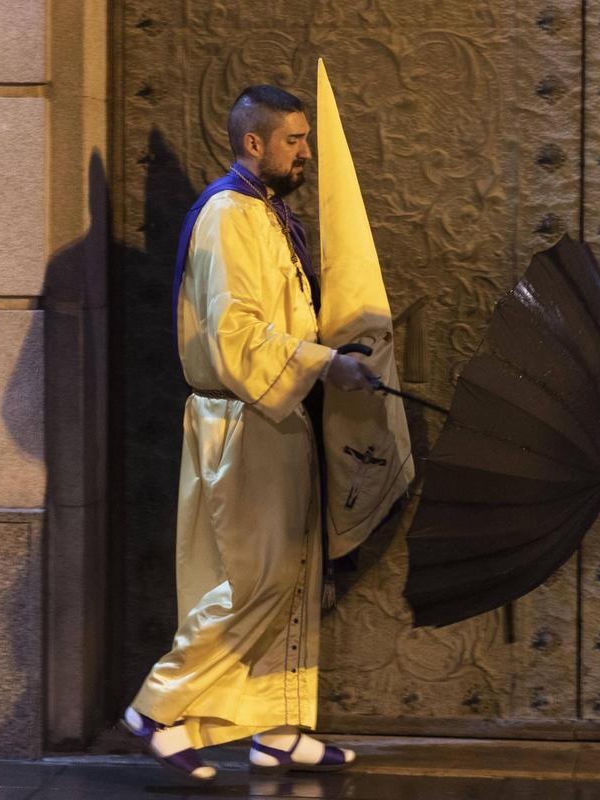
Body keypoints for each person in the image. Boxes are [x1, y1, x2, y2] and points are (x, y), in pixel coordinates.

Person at [119, 85, 381, 780]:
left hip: (277, 414)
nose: (305, 152)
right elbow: (234, 335)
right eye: (293, 140)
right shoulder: (229, 216)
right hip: (242, 418)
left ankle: (277, 729)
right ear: (254, 143)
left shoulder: (267, 215)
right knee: (254, 580)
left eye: (306, 138)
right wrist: (327, 365)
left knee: (293, 575)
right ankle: (157, 706)